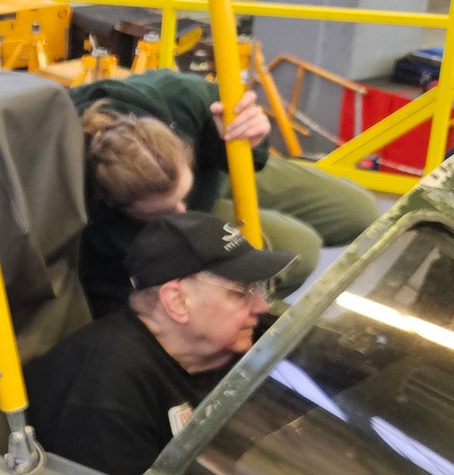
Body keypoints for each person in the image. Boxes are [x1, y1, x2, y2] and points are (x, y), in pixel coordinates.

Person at [74, 69, 378, 316]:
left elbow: (240, 127)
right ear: (115, 203)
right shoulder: (82, 203)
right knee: (300, 252)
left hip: (215, 171)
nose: (181, 211)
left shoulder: (180, 97)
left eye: (181, 196)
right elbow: (116, 287)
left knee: (359, 210)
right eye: (165, 209)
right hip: (154, 222)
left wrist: (245, 132)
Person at [25, 211, 293, 475]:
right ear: (177, 302)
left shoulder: (245, 338)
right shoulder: (105, 394)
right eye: (243, 292)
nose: (262, 306)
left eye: (260, 289)